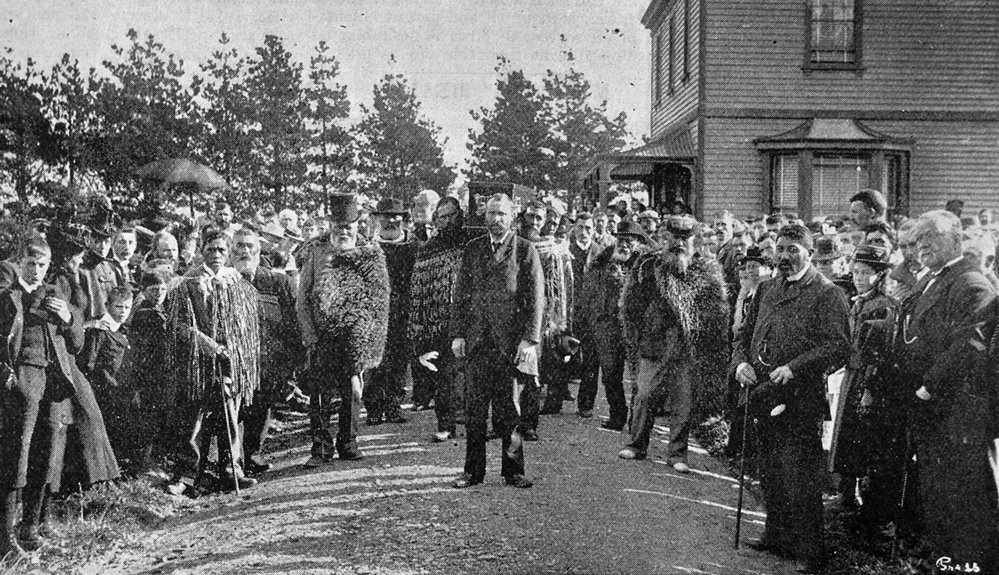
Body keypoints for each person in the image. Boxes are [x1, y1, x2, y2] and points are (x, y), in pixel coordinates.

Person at [732, 224, 850, 573]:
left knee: (800, 473)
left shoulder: (827, 294)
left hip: (800, 396)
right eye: (780, 249)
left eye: (793, 250)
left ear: (809, 253)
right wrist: (740, 363)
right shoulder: (767, 288)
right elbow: (744, 335)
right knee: (769, 469)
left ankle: (809, 550)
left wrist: (795, 368)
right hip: (762, 392)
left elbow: (838, 345)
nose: (784, 256)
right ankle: (776, 535)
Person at [897, 210, 998, 572]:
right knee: (939, 494)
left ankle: (968, 565)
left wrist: (927, 387)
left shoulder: (970, 281)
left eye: (931, 238)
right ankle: (947, 562)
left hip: (957, 413)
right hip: (936, 411)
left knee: (965, 499)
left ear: (955, 239)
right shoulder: (939, 278)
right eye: (918, 239)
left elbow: (971, 344)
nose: (922, 245)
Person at [617, 215, 729, 473]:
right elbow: (630, 306)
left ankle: (677, 454)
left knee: (683, 402)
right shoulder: (647, 266)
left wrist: (702, 342)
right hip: (653, 345)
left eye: (685, 239)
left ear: (694, 241)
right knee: (644, 395)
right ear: (663, 237)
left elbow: (717, 311)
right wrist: (640, 335)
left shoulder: (707, 271)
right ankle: (636, 444)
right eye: (673, 237)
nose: (678, 243)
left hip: (687, 348)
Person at [450, 193, 544, 490]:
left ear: (513, 216)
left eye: (501, 214)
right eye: (491, 213)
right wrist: (458, 334)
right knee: (474, 411)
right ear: (484, 216)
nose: (495, 219)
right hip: (478, 343)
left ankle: (513, 470)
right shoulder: (472, 249)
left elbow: (536, 299)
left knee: (510, 412)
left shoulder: (526, 250)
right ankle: (472, 471)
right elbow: (460, 295)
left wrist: (529, 339)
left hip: (509, 345)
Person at [0, 237, 82, 556]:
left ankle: (30, 528)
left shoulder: (53, 294)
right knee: (16, 455)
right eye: (30, 263)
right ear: (19, 262)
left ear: (49, 266)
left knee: (44, 452)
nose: (35, 270)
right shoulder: (9, 297)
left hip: (53, 381)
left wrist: (69, 319)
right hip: (22, 379)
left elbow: (76, 344)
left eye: (42, 265)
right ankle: (5, 540)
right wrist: (10, 377)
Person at [163, 230, 261, 495]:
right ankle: (186, 474)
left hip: (228, 362)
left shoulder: (237, 283)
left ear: (228, 252)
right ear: (201, 252)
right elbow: (178, 325)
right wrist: (208, 345)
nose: (216, 255)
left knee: (230, 412)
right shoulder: (187, 283)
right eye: (210, 249)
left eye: (221, 249)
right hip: (196, 362)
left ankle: (231, 469)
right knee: (192, 417)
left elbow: (246, 326)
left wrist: (233, 349)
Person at [297, 192, 390, 467]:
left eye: (348, 228)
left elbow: (378, 298)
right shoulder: (315, 252)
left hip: (354, 336)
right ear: (330, 226)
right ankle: (320, 448)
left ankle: (348, 443)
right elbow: (303, 298)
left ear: (357, 225)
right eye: (337, 228)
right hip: (322, 335)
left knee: (352, 389)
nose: (343, 232)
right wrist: (309, 333)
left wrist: (368, 338)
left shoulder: (368, 253)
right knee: (320, 393)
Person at [828, 245, 906, 543]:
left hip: (869, 380)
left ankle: (864, 507)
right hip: (852, 374)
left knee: (863, 440)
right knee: (846, 437)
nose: (859, 277)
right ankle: (846, 497)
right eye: (856, 271)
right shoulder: (858, 302)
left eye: (867, 272)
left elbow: (880, 353)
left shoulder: (883, 306)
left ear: (880, 275)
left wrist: (869, 389)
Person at [232, 228, 302, 475]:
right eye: (239, 245)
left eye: (250, 246)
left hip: (268, 364)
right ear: (231, 251)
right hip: (233, 362)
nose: (245, 251)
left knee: (259, 410)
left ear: (259, 251)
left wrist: (292, 369)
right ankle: (228, 461)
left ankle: (251, 455)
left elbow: (295, 326)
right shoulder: (224, 282)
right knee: (231, 412)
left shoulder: (277, 282)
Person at [409, 198, 472, 442]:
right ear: (435, 220)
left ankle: (473, 421)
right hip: (440, 322)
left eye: (452, 215)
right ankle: (446, 424)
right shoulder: (428, 248)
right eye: (442, 217)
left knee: (473, 375)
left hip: (470, 320)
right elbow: (419, 289)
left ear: (461, 215)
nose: (447, 221)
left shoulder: (473, 243)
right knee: (444, 376)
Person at [577, 221, 649, 431]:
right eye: (621, 239)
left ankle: (638, 420)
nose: (624, 244)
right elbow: (589, 292)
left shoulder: (645, 264)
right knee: (610, 374)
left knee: (639, 376)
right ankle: (617, 415)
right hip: (607, 326)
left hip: (636, 328)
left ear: (638, 242)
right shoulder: (602, 261)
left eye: (629, 240)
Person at [368, 197, 417, 424]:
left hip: (403, 311)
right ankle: (374, 408)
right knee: (375, 360)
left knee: (399, 359)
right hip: (374, 312)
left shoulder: (414, 246)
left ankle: (394, 405)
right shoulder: (368, 247)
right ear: (378, 219)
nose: (391, 220)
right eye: (386, 216)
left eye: (395, 216)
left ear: (402, 218)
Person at [77, 286, 135, 469]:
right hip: (104, 390)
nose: (123, 312)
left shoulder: (125, 328)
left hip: (121, 389)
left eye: (127, 307)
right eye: (118, 307)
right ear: (107, 305)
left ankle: (119, 467)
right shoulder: (100, 329)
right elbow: (89, 363)